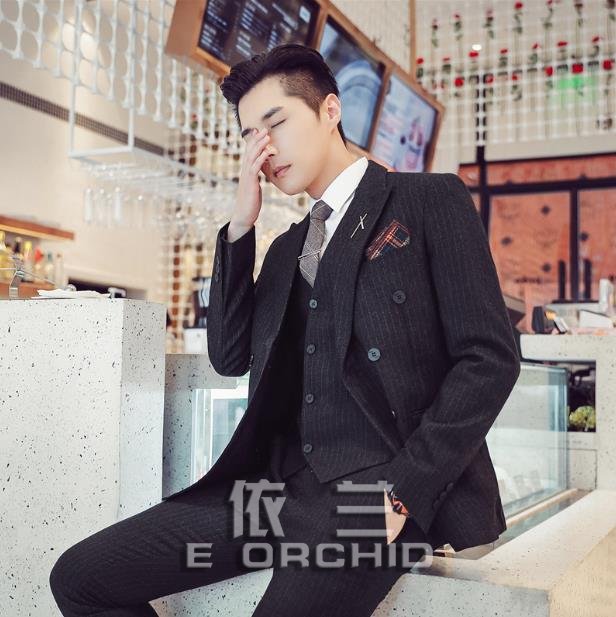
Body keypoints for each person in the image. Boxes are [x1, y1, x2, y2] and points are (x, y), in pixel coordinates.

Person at [49, 43, 520, 616]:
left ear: (330, 110)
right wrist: (240, 225)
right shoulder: (285, 249)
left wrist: (402, 493)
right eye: (251, 135)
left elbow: (489, 359)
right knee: (80, 578)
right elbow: (228, 355)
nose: (264, 149)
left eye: (275, 123)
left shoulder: (428, 201)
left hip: (373, 491)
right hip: (272, 491)